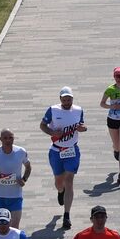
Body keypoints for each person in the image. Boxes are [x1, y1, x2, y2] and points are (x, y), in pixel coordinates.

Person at [39, 88, 87, 230]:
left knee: (69, 180)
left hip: (72, 150)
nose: (66, 102)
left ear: (72, 98)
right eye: (64, 100)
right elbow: (42, 125)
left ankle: (67, 215)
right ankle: (61, 192)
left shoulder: (78, 110)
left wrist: (83, 128)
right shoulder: (53, 110)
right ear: (60, 99)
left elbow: (82, 125)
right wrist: (52, 132)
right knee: (59, 182)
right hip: (56, 151)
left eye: (69, 99)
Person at [0, 129, 32, 228]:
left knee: (14, 227)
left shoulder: (21, 151)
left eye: (10, 138)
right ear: (0, 139)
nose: (8, 140)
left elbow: (28, 167)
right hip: (0, 196)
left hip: (16, 196)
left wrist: (24, 179)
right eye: (5, 138)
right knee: (2, 227)